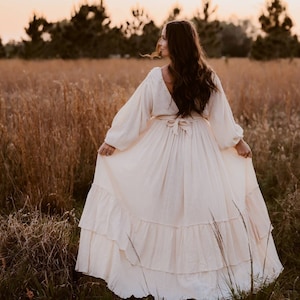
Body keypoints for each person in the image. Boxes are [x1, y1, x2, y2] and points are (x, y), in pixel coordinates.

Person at [75, 20, 283, 299]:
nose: (159, 44)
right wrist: (114, 141)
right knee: (173, 206)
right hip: (191, 146)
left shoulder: (193, 76)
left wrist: (238, 142)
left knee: (188, 207)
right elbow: (216, 117)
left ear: (175, 43)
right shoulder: (202, 75)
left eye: (163, 39)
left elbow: (142, 114)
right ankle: (167, 265)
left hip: (173, 147)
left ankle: (191, 267)